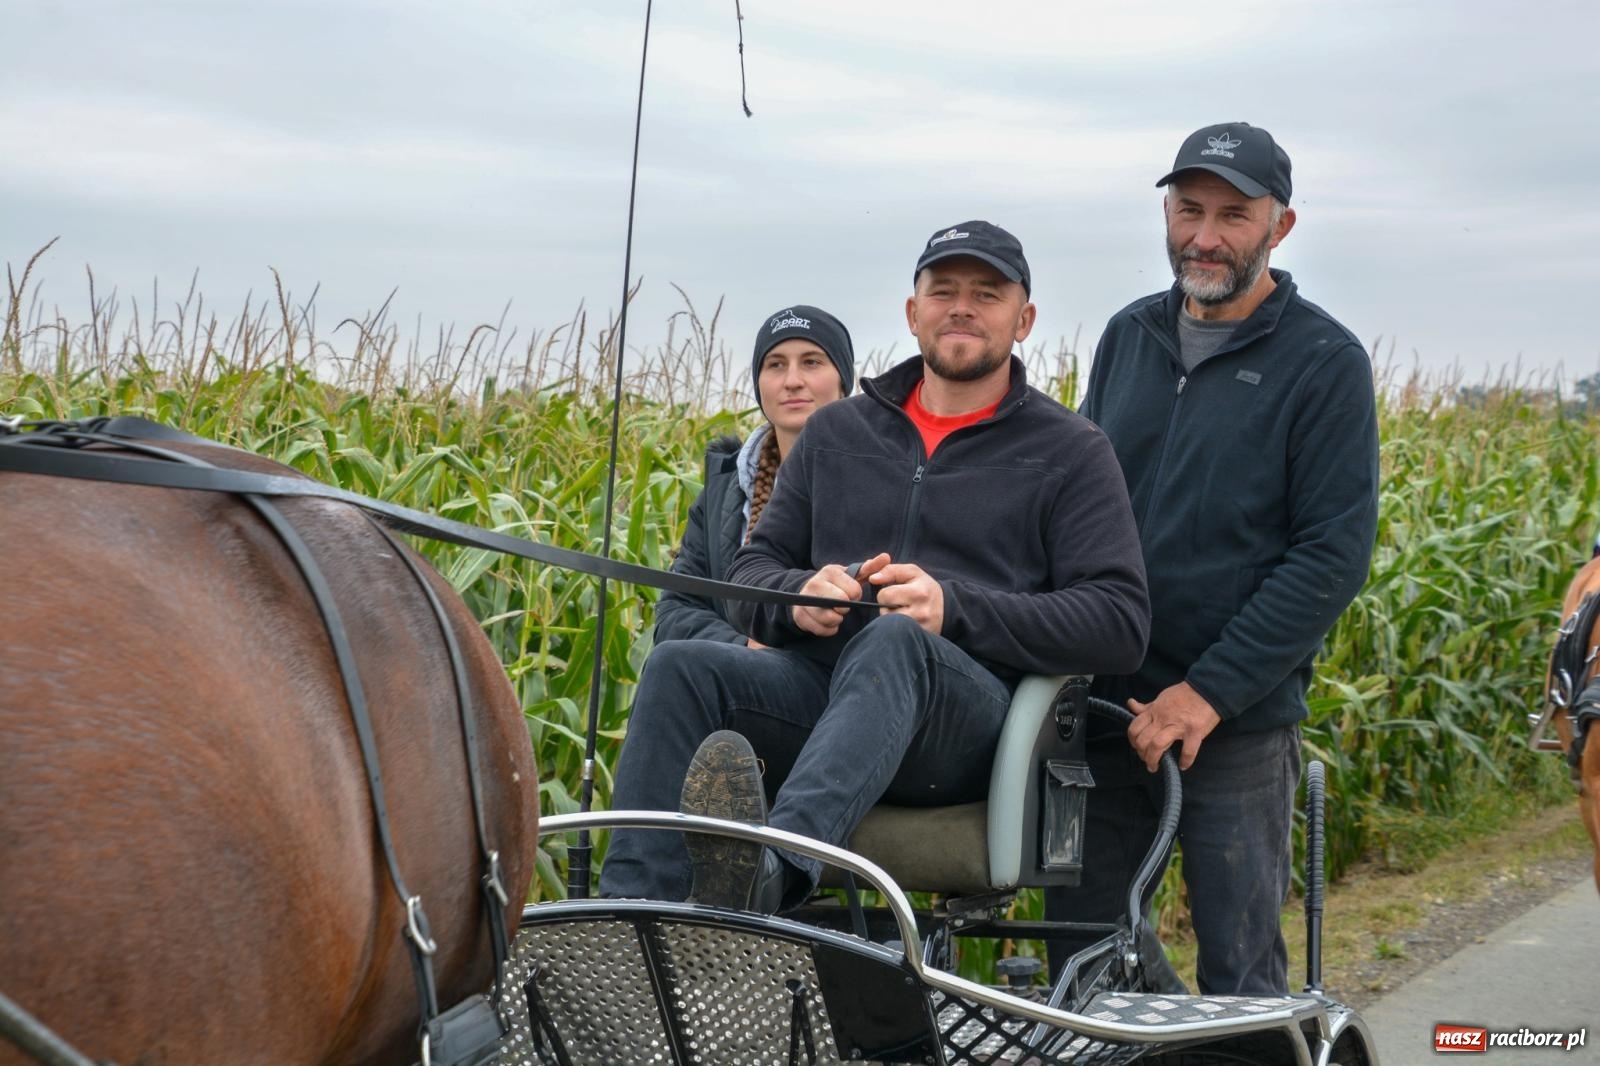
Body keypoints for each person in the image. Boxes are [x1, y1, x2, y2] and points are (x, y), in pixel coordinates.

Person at [599, 221, 1150, 912]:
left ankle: (770, 881)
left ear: (1024, 319)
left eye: (987, 294)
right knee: (678, 664)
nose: (961, 307)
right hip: (826, 703)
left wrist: (954, 608)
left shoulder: (1071, 450)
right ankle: (632, 910)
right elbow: (750, 570)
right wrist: (797, 595)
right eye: (942, 290)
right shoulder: (838, 433)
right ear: (912, 313)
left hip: (967, 735)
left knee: (897, 642)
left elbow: (1119, 621)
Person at [1045, 122, 1380, 995]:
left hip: (1234, 722)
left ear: (1282, 224)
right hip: (1106, 704)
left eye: (1234, 215)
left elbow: (1330, 554)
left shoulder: (1324, 361)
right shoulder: (1128, 336)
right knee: (1084, 952)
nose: (1204, 235)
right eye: (1189, 209)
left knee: (1239, 967)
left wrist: (1210, 692)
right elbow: (1080, 506)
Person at [653, 305, 855, 646]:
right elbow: (676, 610)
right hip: (723, 684)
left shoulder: (880, 478)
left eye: (811, 362)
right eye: (776, 364)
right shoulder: (724, 488)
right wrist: (743, 647)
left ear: (843, 381)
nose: (792, 381)